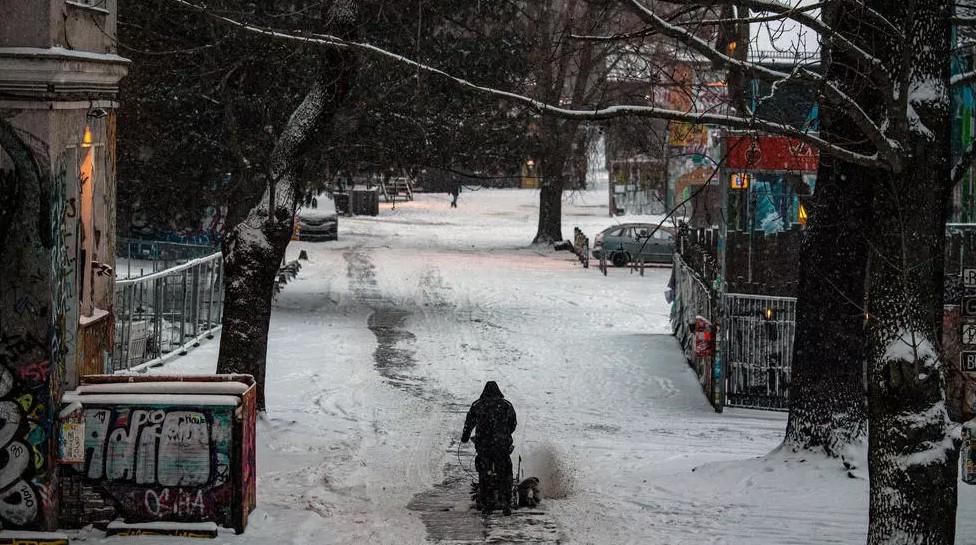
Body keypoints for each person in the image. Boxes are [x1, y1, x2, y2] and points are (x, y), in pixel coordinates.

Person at [461, 381, 517, 515]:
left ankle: (487, 505)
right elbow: (513, 423)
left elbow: (469, 423)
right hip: (501, 446)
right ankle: (506, 503)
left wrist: (465, 437)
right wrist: (505, 433)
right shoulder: (506, 405)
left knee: (484, 473)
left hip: (484, 446)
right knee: (505, 473)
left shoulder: (478, 405)